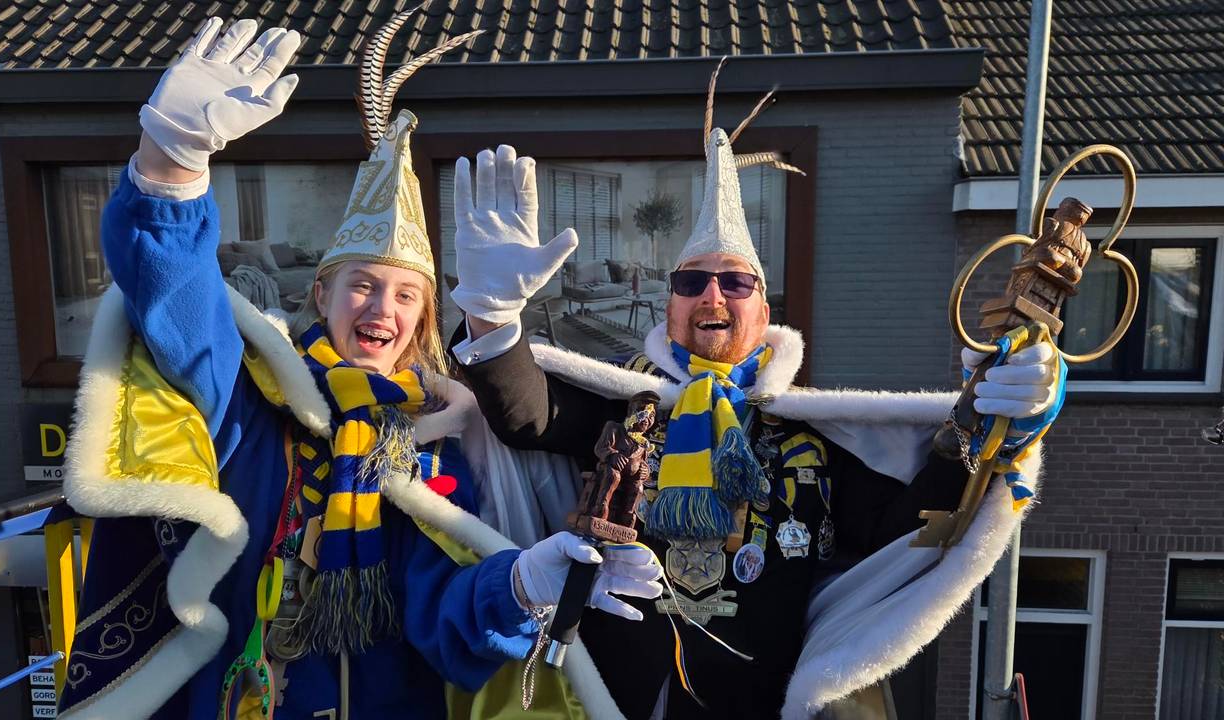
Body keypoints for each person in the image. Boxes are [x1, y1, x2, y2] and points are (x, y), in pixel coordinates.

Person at [57, 14, 660, 719]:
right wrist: (170, 170)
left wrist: (522, 584)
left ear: (422, 320)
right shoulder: (254, 406)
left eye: (407, 294)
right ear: (322, 296)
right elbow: (180, 308)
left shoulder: (429, 450)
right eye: (363, 285)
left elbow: (442, 614)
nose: (383, 307)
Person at [447, 61, 1065, 719]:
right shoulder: (627, 406)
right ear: (669, 310)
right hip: (611, 701)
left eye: (734, 283)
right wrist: (491, 313)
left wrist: (980, 429)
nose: (711, 295)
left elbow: (894, 533)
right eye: (690, 283)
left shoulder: (810, 436)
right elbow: (524, 417)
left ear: (764, 315)